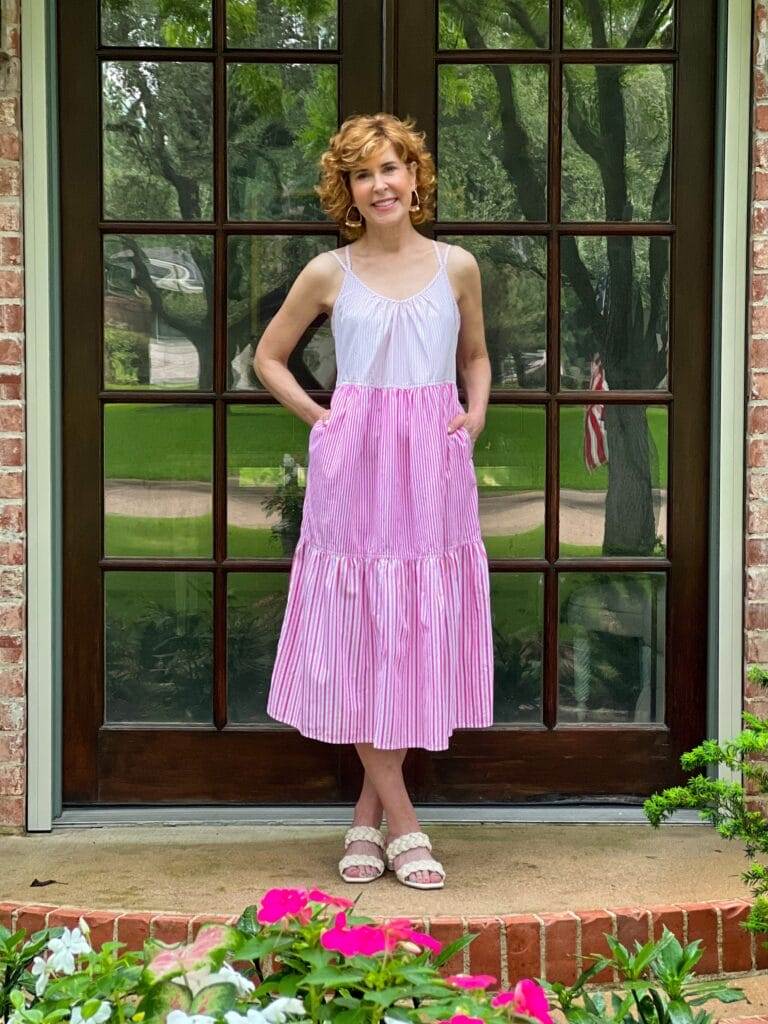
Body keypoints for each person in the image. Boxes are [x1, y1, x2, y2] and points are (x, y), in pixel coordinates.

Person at [254, 112, 493, 891]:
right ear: (348, 191)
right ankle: (407, 822)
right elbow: (268, 357)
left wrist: (476, 413)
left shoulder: (458, 266)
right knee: (363, 627)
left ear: (415, 178)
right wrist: (322, 418)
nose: (380, 184)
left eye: (392, 168)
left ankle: (366, 817)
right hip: (352, 466)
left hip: (430, 460)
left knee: (410, 629)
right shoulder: (329, 272)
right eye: (363, 174)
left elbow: (478, 356)